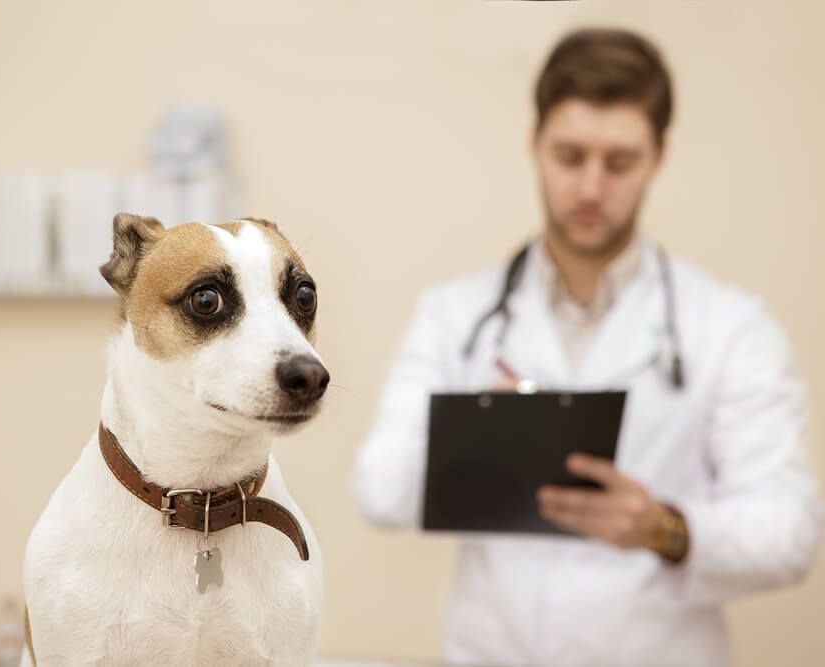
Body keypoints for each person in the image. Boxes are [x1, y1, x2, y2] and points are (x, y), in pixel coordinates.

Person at [352, 27, 821, 667]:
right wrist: (475, 436)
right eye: (569, 156)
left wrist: (665, 527)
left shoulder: (731, 327)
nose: (592, 189)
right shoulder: (455, 314)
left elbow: (789, 535)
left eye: (620, 161)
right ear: (534, 146)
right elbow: (379, 493)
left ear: (658, 155)